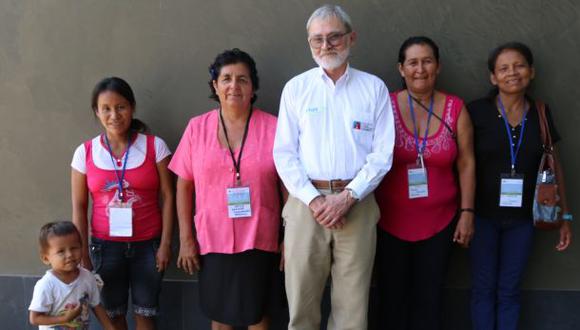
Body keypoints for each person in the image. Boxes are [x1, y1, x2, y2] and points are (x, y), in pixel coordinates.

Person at [273, 5, 395, 330]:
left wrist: (348, 196)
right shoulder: (296, 89)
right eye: (317, 40)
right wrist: (315, 200)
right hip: (304, 205)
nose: (325, 46)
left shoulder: (374, 89)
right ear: (309, 44)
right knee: (301, 305)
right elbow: (284, 154)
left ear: (351, 38)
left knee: (353, 309)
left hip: (358, 203)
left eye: (334, 37)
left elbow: (383, 154)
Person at [169, 48, 282, 330]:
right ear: (215, 86)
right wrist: (186, 239)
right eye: (227, 78)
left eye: (242, 79)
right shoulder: (197, 128)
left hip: (261, 238)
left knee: (259, 314)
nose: (234, 86)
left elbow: (288, 186)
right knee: (219, 317)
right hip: (212, 239)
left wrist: (289, 237)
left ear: (253, 86)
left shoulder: (275, 128)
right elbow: (184, 184)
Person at [468, 41, 573, 330]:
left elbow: (554, 166)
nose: (512, 73)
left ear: (531, 71)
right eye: (503, 68)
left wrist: (564, 216)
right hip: (481, 217)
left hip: (524, 220)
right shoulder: (476, 111)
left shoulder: (540, 112)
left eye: (519, 65)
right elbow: (463, 164)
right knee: (483, 288)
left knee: (510, 290)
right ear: (493, 77)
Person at [373, 36, 475, 330]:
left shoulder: (456, 108)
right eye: (413, 62)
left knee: (430, 301)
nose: (420, 69)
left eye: (427, 61)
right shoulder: (385, 106)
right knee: (391, 300)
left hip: (440, 223)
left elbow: (467, 162)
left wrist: (466, 213)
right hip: (388, 222)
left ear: (438, 67)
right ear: (401, 69)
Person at [71, 77, 174, 329]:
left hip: (148, 247)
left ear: (132, 107)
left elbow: (169, 196)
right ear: (96, 111)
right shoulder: (84, 152)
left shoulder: (155, 146)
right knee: (112, 315)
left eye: (121, 107)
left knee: (146, 313)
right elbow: (79, 207)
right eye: (106, 108)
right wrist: (83, 254)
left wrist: (165, 245)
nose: (114, 115)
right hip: (105, 249)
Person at [29, 221, 115, 330]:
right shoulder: (46, 285)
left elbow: (97, 306)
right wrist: (64, 319)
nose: (69, 255)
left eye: (74, 248)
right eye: (61, 251)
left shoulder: (87, 277)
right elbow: (35, 318)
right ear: (46, 258)